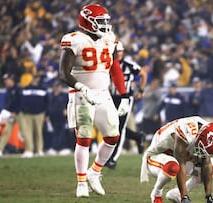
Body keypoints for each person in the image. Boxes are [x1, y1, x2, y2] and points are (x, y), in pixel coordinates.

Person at [58, 4, 130, 198]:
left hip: (103, 94)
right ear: (87, 22)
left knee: (113, 136)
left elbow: (115, 68)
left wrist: (124, 95)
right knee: (84, 138)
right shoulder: (74, 40)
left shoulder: (109, 40)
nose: (105, 26)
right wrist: (81, 87)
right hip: (80, 94)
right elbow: (63, 73)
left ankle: (94, 172)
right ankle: (81, 182)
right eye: (100, 22)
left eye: (106, 21)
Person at [140, 116, 213, 203]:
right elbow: (181, 163)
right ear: (201, 137)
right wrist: (184, 197)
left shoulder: (205, 130)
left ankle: (176, 193)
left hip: (176, 157)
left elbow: (206, 163)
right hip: (156, 156)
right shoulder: (185, 133)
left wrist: (209, 197)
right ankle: (156, 194)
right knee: (173, 167)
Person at [105, 42, 147, 169]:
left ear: (123, 52)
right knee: (111, 126)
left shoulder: (129, 65)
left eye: (119, 51)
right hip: (111, 98)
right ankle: (138, 137)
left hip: (125, 98)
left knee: (120, 128)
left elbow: (143, 74)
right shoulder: (108, 64)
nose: (118, 54)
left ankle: (113, 158)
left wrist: (141, 90)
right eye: (115, 52)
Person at [19, 74, 48, 158]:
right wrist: (24, 110)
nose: (36, 79)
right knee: (28, 132)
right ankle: (29, 150)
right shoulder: (26, 88)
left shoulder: (43, 89)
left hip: (39, 113)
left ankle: (39, 150)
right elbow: (22, 101)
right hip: (28, 114)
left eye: (37, 78)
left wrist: (46, 113)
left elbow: (47, 102)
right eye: (35, 78)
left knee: (38, 132)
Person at [0, 73, 21, 157]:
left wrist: (15, 112)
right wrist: (6, 111)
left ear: (11, 80)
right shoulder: (8, 90)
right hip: (10, 114)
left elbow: (21, 102)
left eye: (7, 80)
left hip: (20, 114)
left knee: (26, 131)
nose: (5, 82)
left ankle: (31, 150)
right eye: (5, 81)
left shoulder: (18, 89)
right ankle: (0, 149)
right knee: (6, 131)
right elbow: (7, 103)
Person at [45, 81, 70, 155]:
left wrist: (66, 109)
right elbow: (47, 106)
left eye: (58, 87)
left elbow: (69, 104)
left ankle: (61, 147)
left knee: (61, 131)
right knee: (55, 131)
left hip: (61, 116)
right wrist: (47, 115)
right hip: (53, 116)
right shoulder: (50, 95)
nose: (57, 88)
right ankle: (56, 147)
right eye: (56, 87)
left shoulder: (65, 95)